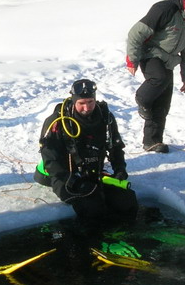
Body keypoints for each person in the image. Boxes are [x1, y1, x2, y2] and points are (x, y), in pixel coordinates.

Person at [33, 79, 138, 230]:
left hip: (92, 171)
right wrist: (75, 181)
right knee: (92, 207)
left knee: (127, 201)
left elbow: (115, 146)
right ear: (74, 101)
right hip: (63, 175)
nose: (86, 107)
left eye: (90, 102)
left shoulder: (105, 117)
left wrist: (120, 168)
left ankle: (125, 235)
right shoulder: (57, 121)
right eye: (81, 103)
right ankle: (92, 241)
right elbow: (51, 159)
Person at [126, 0, 185, 153]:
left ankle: (152, 142)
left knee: (163, 102)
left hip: (168, 60)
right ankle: (142, 99)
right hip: (149, 53)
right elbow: (136, 33)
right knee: (159, 78)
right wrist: (132, 59)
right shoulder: (165, 10)